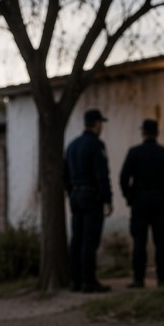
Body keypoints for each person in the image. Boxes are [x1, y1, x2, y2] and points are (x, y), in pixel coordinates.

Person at [119, 118, 164, 288]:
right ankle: (162, 278)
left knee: (139, 242)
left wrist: (129, 197)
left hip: (140, 201)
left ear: (143, 133)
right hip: (160, 200)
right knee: (161, 242)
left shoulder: (134, 153)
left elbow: (123, 179)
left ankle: (139, 279)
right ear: (157, 133)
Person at [63, 108, 113, 293]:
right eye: (101, 123)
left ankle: (75, 281)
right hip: (91, 196)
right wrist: (108, 198)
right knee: (90, 240)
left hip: (76, 195)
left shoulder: (72, 145)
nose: (102, 127)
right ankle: (89, 281)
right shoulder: (96, 145)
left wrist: (71, 191)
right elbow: (102, 174)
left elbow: (64, 174)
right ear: (97, 124)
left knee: (77, 238)